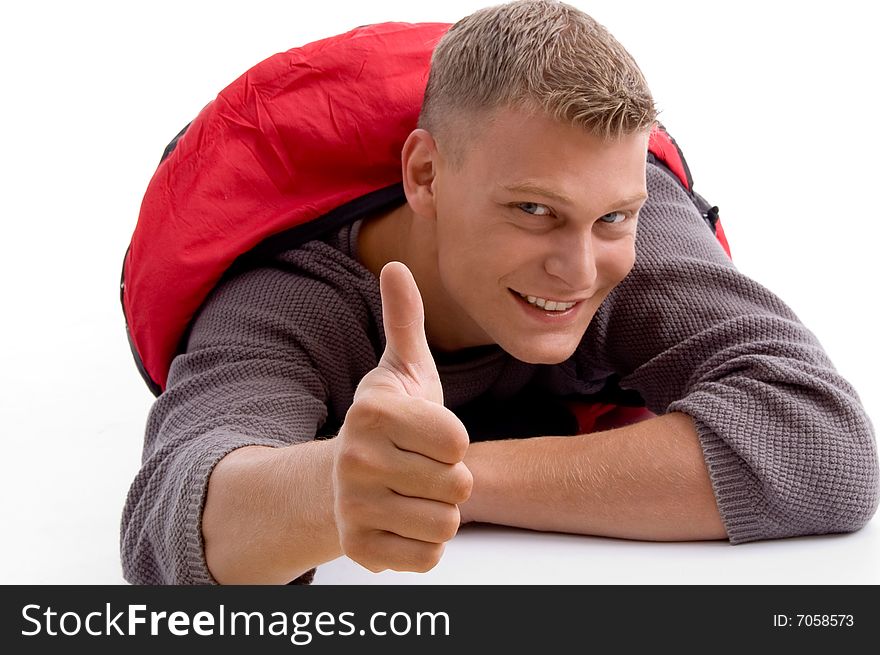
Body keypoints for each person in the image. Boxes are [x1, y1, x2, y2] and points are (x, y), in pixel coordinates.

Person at [120, 0, 879, 585]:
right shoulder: (291, 295)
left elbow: (827, 450)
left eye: (612, 216)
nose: (580, 271)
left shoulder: (634, 232)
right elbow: (167, 523)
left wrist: (441, 480)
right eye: (532, 211)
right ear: (425, 176)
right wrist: (328, 486)